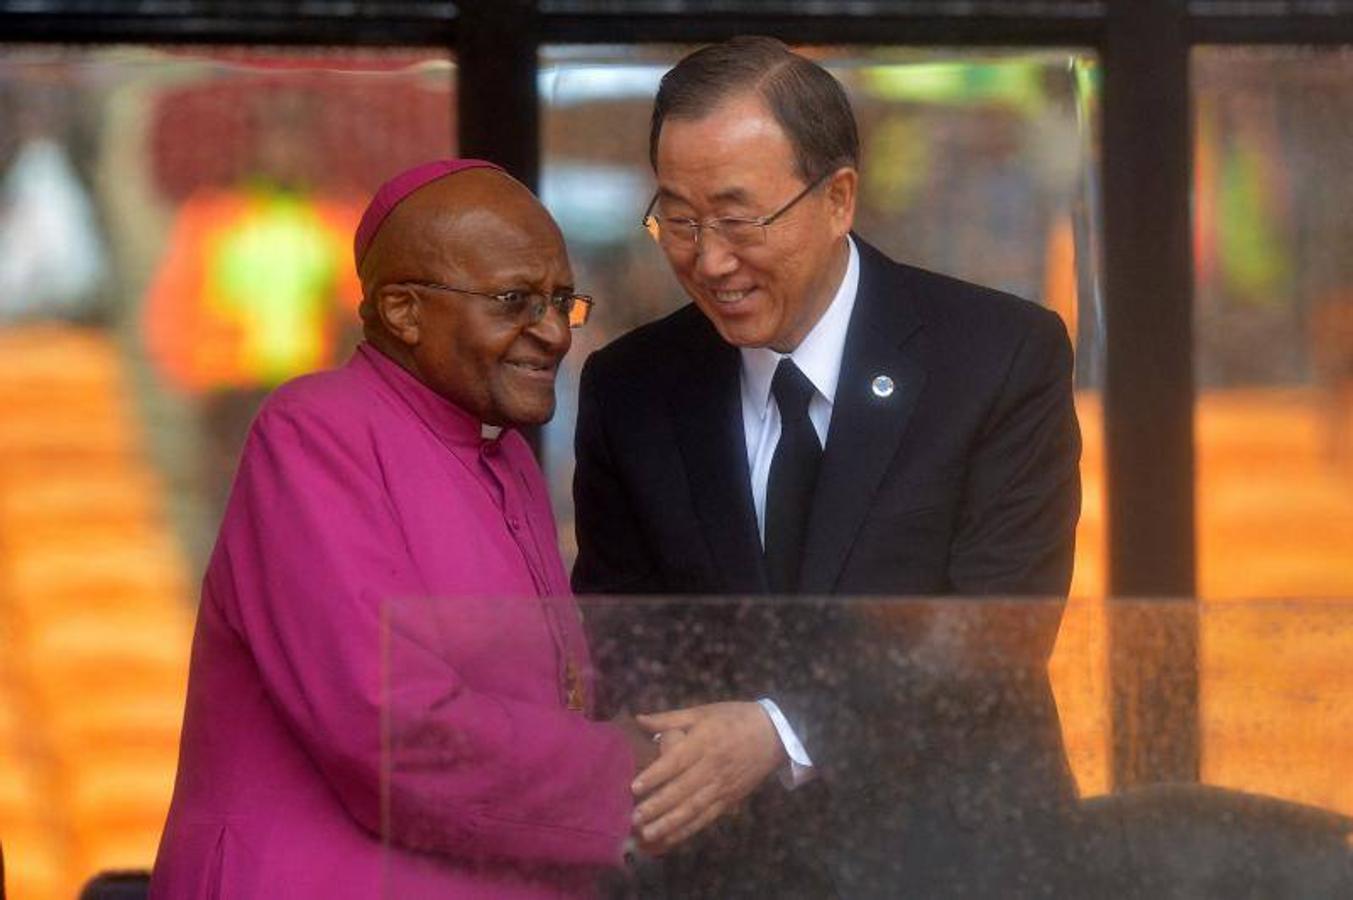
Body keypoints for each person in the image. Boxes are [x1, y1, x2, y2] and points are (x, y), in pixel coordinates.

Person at [572, 38, 1082, 895]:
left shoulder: (996, 357)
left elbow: (996, 636)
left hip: (957, 855)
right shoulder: (632, 388)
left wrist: (781, 731)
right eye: (678, 221)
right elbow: (624, 638)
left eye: (738, 219)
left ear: (838, 197)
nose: (708, 260)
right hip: (727, 866)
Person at [151, 159, 655, 898]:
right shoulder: (315, 432)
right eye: (514, 301)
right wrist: (637, 772)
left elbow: (555, 691)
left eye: (560, 302)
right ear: (402, 311)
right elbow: (392, 730)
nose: (552, 332)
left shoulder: (507, 455)